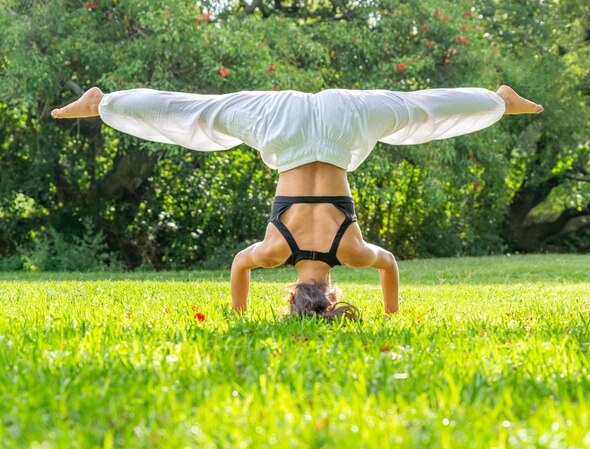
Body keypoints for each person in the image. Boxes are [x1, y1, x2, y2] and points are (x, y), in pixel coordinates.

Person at [51, 85, 543, 319]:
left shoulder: (349, 252)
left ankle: (496, 100)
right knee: (202, 113)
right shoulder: (273, 252)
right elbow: (239, 267)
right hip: (280, 124)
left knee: (416, 110)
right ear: (290, 294)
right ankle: (104, 104)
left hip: (342, 120)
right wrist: (237, 317)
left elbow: (389, 266)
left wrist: (393, 317)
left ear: (331, 295)